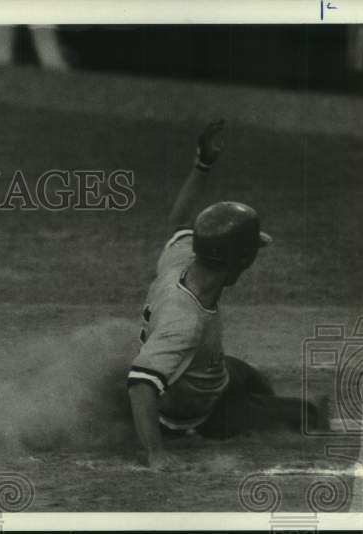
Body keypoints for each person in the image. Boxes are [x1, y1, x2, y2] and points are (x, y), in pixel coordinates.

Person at [127, 120, 326, 471]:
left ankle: (260, 407)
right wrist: (156, 454)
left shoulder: (183, 258)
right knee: (309, 415)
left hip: (207, 372)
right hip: (201, 413)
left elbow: (178, 222)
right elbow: (141, 384)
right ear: (239, 260)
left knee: (249, 375)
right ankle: (250, 419)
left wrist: (202, 164)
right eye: (251, 252)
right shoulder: (184, 320)